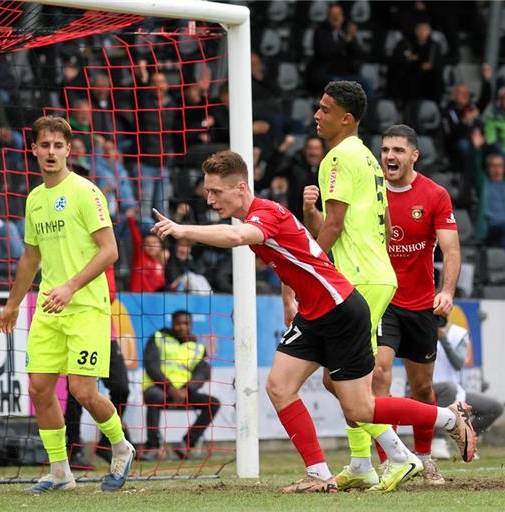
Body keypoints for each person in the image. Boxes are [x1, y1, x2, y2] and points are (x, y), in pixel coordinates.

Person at [151, 150, 476, 493]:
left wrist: (181, 229)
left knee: (361, 407)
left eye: (215, 192)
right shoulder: (257, 218)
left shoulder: (266, 214)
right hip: (314, 314)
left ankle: (451, 419)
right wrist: (290, 297)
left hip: (340, 312)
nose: (209, 198)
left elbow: (235, 238)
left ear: (240, 188)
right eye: (207, 191)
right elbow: (290, 261)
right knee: (279, 386)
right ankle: (319, 473)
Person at [0, 116, 134, 494]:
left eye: (59, 145)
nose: (51, 152)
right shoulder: (35, 199)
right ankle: (60, 472)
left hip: (86, 305)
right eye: (45, 145)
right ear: (34, 150)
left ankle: (121, 448)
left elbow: (110, 251)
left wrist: (72, 286)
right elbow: (29, 258)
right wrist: (11, 305)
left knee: (83, 391)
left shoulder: (86, 193)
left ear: (68, 150)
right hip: (48, 307)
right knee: (39, 387)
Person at [302, 81, 412, 492]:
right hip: (372, 272)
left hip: (359, 278)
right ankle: (362, 462)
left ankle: (400, 454)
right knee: (342, 378)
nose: (317, 114)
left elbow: (334, 225)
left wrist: (305, 269)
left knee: (344, 381)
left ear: (346, 119)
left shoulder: (337, 158)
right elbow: (353, 224)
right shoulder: (366, 157)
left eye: (325, 109)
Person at [370, 124, 461, 485]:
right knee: (379, 373)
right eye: (385, 150)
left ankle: (424, 458)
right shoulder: (370, 192)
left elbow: (451, 250)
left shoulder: (435, 194)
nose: (390, 156)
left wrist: (447, 291)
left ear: (414, 156)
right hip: (383, 298)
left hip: (422, 304)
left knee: (421, 388)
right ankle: (393, 458)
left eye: (397, 150)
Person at [64, 266, 130, 468]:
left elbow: (109, 294)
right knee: (76, 392)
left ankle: (106, 442)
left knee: (121, 389)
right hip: (74, 328)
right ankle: (73, 450)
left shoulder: (103, 254)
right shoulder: (66, 253)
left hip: (102, 330)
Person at [139, 310, 220, 461]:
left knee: (213, 403)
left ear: (191, 325)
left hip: (184, 392)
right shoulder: (158, 338)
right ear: (172, 324)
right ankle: (153, 447)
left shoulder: (198, 347)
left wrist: (187, 389)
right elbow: (151, 366)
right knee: (156, 397)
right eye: (179, 323)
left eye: (186, 323)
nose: (182, 327)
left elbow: (202, 373)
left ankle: (186, 444)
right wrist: (170, 388)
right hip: (158, 388)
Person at [431, 319, 504, 459]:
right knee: (448, 388)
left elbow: (458, 363)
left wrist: (444, 339)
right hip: (424, 388)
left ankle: (465, 438)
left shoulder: (458, 333)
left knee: (495, 407)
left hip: (455, 390)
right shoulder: (420, 327)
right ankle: (438, 441)